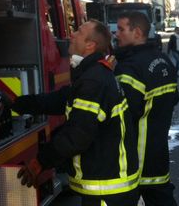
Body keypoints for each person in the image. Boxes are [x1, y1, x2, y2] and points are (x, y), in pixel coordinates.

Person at [12, 20, 140, 206]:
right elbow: (61, 100)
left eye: (79, 32)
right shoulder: (92, 75)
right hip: (109, 185)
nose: (72, 34)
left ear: (90, 45)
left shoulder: (92, 80)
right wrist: (17, 104)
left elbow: (77, 135)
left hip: (107, 190)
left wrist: (41, 161)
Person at [114, 11, 179, 206]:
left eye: (121, 29)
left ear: (137, 32)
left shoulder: (130, 68)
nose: (116, 34)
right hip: (158, 152)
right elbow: (173, 98)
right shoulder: (163, 60)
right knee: (162, 198)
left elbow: (123, 115)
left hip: (136, 158)